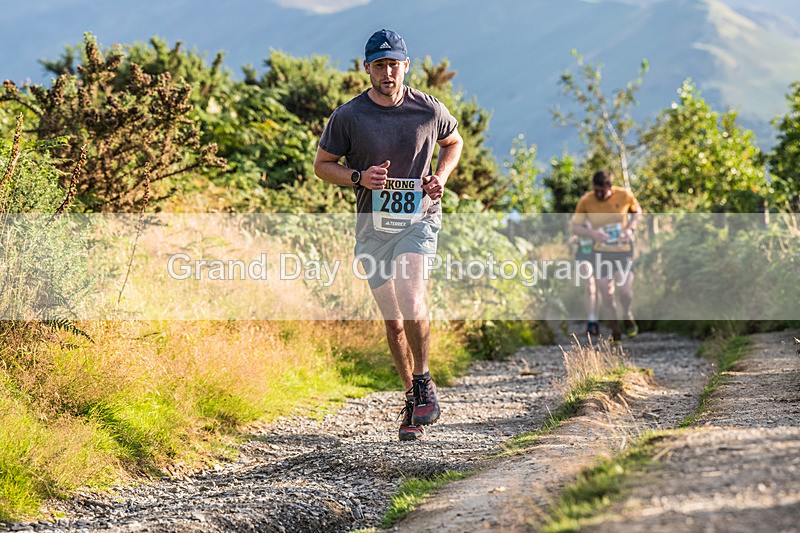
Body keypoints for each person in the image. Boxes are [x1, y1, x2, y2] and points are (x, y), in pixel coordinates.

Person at [313, 29, 463, 441]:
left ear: (406, 66)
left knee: (411, 297)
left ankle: (425, 382)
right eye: (379, 64)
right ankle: (414, 399)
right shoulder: (348, 116)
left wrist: (441, 178)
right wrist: (359, 177)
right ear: (367, 68)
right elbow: (322, 165)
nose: (388, 71)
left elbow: (454, 141)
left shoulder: (428, 109)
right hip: (372, 228)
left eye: (394, 63)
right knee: (393, 322)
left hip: (419, 219)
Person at [571, 170, 642, 344]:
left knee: (624, 291)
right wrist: (592, 233)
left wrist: (630, 228)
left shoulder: (624, 195)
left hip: (623, 251)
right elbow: (575, 228)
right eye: (596, 190)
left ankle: (627, 314)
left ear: (609, 186)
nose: (599, 194)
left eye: (602, 191)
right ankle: (615, 331)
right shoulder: (586, 201)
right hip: (600, 253)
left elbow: (637, 212)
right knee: (607, 295)